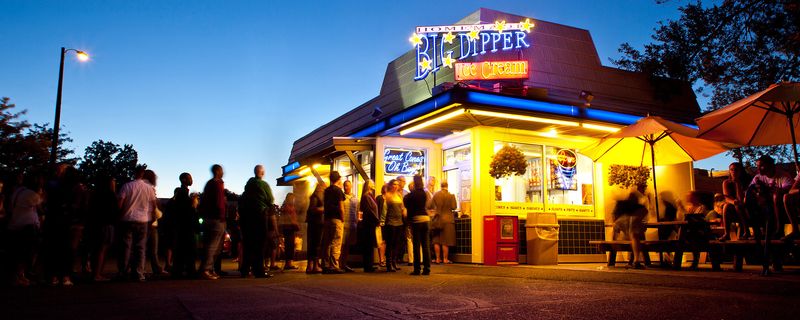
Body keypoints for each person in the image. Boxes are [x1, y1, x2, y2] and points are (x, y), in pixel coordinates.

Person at [117, 167, 158, 282]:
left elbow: (119, 204)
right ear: (143, 174)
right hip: (143, 220)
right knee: (140, 247)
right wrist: (152, 217)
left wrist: (119, 215)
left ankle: (123, 272)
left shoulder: (127, 186)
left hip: (128, 219)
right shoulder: (149, 188)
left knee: (126, 247)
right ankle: (139, 273)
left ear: (134, 173)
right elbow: (153, 205)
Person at [238, 165, 276, 279]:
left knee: (248, 243)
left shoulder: (248, 185)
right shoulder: (264, 185)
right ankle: (258, 270)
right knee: (260, 243)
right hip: (259, 215)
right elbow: (270, 200)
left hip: (246, 217)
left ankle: (245, 270)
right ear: (262, 173)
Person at [6, 174, 43, 286]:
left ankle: (17, 276)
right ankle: (21, 275)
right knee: (26, 252)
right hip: (28, 226)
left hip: (15, 224)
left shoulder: (17, 192)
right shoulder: (31, 194)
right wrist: (41, 194)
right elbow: (41, 208)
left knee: (17, 252)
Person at [87, 175, 118, 282]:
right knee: (102, 249)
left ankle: (94, 272)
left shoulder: (95, 194)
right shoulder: (110, 195)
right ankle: (97, 274)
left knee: (96, 249)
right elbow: (115, 209)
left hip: (96, 224)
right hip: (107, 223)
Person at [199, 164, 227, 280]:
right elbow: (219, 203)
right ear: (217, 171)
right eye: (221, 170)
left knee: (210, 245)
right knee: (213, 246)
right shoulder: (216, 184)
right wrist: (222, 216)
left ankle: (208, 268)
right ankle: (206, 269)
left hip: (209, 218)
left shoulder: (209, 184)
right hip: (216, 219)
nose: (223, 172)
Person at [169, 173, 199, 279]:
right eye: (190, 178)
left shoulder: (182, 193)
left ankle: (179, 271)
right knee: (188, 249)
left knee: (182, 249)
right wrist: (193, 205)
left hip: (182, 226)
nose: (192, 180)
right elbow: (185, 211)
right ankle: (189, 271)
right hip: (186, 227)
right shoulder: (182, 193)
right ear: (183, 179)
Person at [611, 187, 648, 269]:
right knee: (635, 235)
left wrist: (615, 237)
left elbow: (614, 217)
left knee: (634, 234)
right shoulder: (639, 208)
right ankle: (636, 261)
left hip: (622, 223)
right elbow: (644, 213)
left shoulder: (622, 205)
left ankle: (633, 260)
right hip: (630, 225)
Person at [405, 176, 432, 275]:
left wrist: (409, 221)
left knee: (416, 245)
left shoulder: (412, 195)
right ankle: (427, 268)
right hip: (426, 219)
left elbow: (407, 204)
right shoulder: (424, 193)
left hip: (416, 221)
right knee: (426, 245)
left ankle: (417, 269)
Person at [678, 191, 711, 270]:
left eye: (689, 196)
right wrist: (681, 208)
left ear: (695, 197)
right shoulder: (689, 208)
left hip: (700, 232)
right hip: (690, 231)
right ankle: (676, 260)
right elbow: (684, 218)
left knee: (691, 237)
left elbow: (698, 220)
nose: (687, 198)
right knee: (684, 236)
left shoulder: (701, 207)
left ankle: (695, 260)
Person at [321, 171, 346, 274]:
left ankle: (325, 264)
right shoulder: (338, 191)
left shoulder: (326, 190)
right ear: (338, 179)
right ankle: (334, 265)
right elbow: (341, 207)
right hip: (336, 219)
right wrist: (343, 218)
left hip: (327, 219)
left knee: (327, 242)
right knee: (336, 242)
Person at [143, 170, 166, 276]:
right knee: (151, 248)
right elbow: (154, 208)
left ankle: (143, 268)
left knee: (144, 248)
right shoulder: (149, 189)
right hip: (150, 223)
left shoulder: (143, 188)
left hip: (146, 222)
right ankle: (155, 269)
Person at [429, 181, 457, 264]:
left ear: (441, 186)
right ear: (447, 186)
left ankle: (437, 259)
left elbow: (430, 205)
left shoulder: (436, 195)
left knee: (436, 240)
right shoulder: (451, 195)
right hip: (448, 220)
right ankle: (445, 259)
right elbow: (454, 207)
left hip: (437, 219)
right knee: (445, 241)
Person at [722, 162, 751, 239]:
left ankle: (746, 231)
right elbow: (727, 198)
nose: (733, 172)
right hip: (733, 205)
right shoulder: (726, 182)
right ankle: (726, 233)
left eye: (736, 170)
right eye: (731, 170)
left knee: (738, 206)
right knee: (726, 206)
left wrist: (737, 183)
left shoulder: (747, 182)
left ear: (741, 171)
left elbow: (741, 198)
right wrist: (734, 202)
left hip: (746, 205)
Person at [383, 179, 405, 272]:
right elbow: (385, 209)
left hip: (399, 222)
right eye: (394, 184)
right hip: (390, 222)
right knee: (390, 244)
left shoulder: (399, 195)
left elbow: (402, 207)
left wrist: (405, 212)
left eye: (397, 184)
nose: (396, 186)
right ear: (391, 185)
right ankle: (388, 264)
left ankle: (394, 262)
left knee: (396, 243)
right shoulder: (388, 195)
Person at [358, 180, 379, 272]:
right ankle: (368, 266)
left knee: (370, 244)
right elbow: (369, 210)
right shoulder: (366, 196)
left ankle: (369, 264)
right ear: (368, 186)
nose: (374, 185)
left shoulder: (370, 196)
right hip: (368, 223)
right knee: (368, 244)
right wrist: (376, 219)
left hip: (370, 223)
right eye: (372, 184)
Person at [305, 183, 326, 274]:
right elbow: (313, 209)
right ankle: (315, 266)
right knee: (316, 244)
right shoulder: (316, 197)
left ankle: (310, 266)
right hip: (317, 223)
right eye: (324, 188)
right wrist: (324, 208)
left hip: (313, 223)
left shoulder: (314, 197)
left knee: (312, 244)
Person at [340, 180, 358, 272]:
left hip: (352, 224)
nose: (346, 187)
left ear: (351, 186)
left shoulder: (355, 198)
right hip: (344, 223)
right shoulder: (342, 197)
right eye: (345, 186)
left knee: (347, 245)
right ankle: (340, 263)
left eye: (348, 185)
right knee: (342, 245)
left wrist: (356, 221)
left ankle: (344, 263)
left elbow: (357, 210)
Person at [279, 193, 300, 270]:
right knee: (289, 245)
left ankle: (288, 263)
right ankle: (288, 264)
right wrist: (295, 223)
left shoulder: (287, 205)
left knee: (290, 245)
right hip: (289, 227)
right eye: (293, 198)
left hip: (289, 227)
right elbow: (289, 217)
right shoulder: (287, 206)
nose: (294, 200)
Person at [397, 176, 414, 266]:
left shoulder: (406, 193)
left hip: (405, 219)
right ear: (399, 181)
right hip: (397, 217)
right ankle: (396, 257)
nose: (404, 183)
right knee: (398, 237)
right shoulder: (394, 192)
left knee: (405, 238)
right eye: (403, 181)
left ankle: (401, 256)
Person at [375, 184, 387, 268]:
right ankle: (381, 259)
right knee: (380, 242)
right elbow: (376, 209)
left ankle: (383, 259)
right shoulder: (379, 198)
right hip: (380, 222)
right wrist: (377, 220)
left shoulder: (389, 198)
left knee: (385, 242)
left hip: (388, 223)